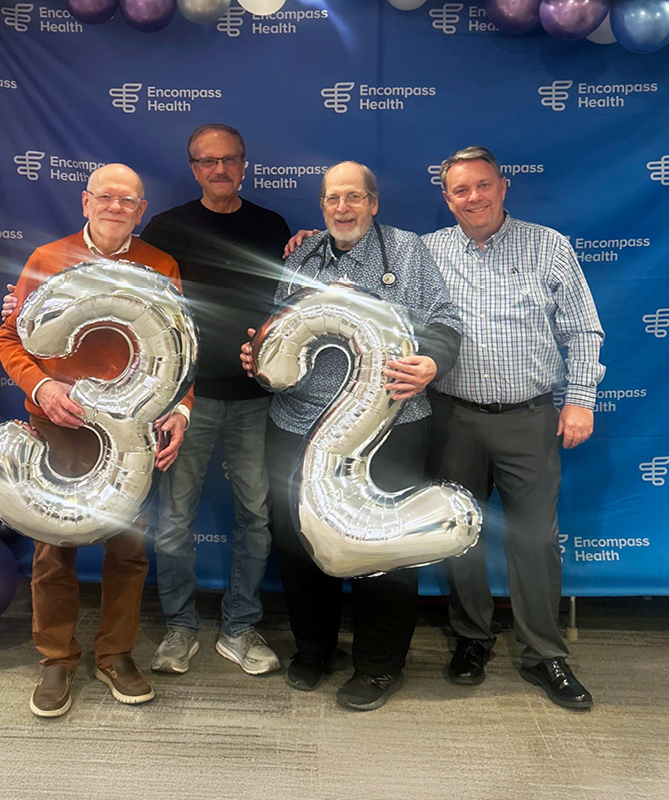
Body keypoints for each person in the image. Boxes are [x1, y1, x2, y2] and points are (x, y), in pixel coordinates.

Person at [242, 161, 462, 711]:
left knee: (383, 543)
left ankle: (380, 667)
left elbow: (445, 320)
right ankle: (314, 650)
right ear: (322, 206)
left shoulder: (407, 251)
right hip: (297, 424)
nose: (342, 208)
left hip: (388, 427)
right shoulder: (302, 256)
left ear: (373, 203)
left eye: (353, 197)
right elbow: (280, 330)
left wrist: (433, 361)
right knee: (299, 541)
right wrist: (259, 355)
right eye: (332, 199)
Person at [0, 163, 192, 718]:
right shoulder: (47, 259)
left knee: (128, 551)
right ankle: (56, 658)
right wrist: (41, 386)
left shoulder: (160, 265)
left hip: (132, 433)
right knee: (53, 549)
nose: (115, 207)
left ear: (141, 210)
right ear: (86, 202)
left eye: (127, 201)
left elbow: (180, 351)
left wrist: (181, 408)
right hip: (60, 425)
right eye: (106, 197)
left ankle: (115, 655)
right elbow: (11, 339)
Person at [423, 146, 605, 710]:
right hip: (453, 417)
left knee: (536, 540)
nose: (473, 197)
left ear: (504, 186)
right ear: (447, 198)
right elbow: (366, 269)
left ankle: (543, 652)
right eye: (460, 190)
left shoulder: (548, 245)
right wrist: (312, 241)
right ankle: (471, 637)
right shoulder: (427, 252)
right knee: (459, 533)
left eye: (483, 185)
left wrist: (580, 400)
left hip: (530, 418)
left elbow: (584, 330)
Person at [137, 124, 291, 676]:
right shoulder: (164, 229)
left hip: (256, 399)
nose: (219, 169)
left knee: (256, 516)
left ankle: (239, 627)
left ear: (244, 165)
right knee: (174, 520)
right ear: (194, 168)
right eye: (208, 161)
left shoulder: (272, 226)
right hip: (186, 400)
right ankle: (180, 627)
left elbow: (294, 297)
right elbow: (132, 299)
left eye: (229, 160)